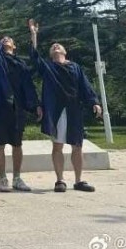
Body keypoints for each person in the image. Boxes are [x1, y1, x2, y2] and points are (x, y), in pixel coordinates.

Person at [28, 19, 103, 193]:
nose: (55, 46)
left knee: (77, 146)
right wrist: (33, 34)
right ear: (51, 53)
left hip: (74, 109)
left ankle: (78, 180)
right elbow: (34, 56)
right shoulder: (48, 67)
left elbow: (85, 86)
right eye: (53, 46)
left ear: (64, 51)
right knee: (57, 146)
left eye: (58, 46)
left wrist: (95, 102)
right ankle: (60, 180)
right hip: (56, 110)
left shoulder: (75, 67)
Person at [0, 0, 42, 192]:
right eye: (3, 39)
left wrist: (36, 105)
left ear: (14, 46)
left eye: (9, 39)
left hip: (17, 107)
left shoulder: (20, 64)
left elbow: (30, 80)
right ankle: (3, 178)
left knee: (17, 144)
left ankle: (17, 178)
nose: (5, 39)